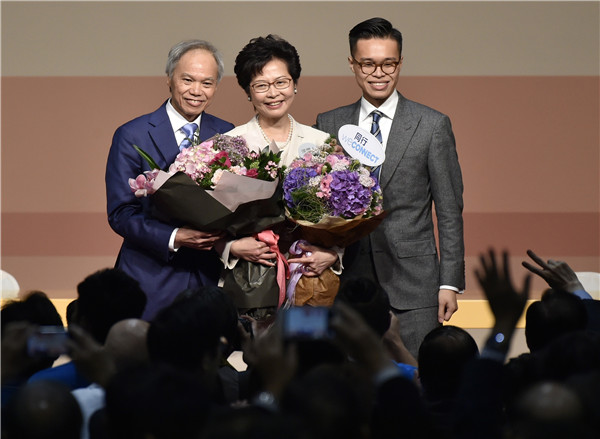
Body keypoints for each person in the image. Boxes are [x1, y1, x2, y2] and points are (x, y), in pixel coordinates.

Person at [315, 17, 465, 357]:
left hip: (414, 283)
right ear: (352, 64)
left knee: (417, 384)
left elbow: (449, 209)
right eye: (368, 63)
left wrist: (449, 282)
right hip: (348, 279)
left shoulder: (432, 125)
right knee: (351, 387)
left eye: (388, 64)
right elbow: (317, 202)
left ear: (400, 63)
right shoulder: (329, 123)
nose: (378, 73)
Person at [105, 39, 234, 320]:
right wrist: (176, 237)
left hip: (209, 278)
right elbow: (121, 213)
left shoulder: (228, 134)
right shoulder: (132, 134)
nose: (196, 91)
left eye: (207, 83)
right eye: (187, 80)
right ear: (169, 78)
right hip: (149, 278)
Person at [220, 35, 341, 313]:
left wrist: (333, 255)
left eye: (281, 82)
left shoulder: (323, 143)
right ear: (248, 92)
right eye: (261, 85)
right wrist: (232, 247)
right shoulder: (230, 145)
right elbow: (210, 222)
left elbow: (344, 216)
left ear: (295, 84)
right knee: (259, 354)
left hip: (310, 282)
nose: (273, 93)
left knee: (309, 354)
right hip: (252, 281)